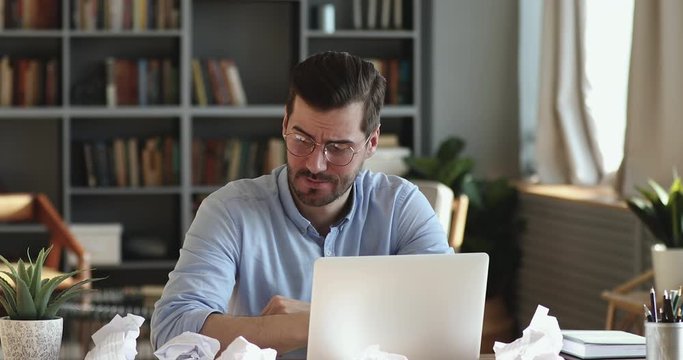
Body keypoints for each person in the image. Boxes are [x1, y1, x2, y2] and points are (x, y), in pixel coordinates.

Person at [150, 51, 452, 356]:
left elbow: (447, 323)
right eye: (302, 139)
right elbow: (172, 331)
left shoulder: (402, 207)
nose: (315, 164)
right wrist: (305, 325)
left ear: (371, 143)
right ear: (284, 124)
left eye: (338, 148)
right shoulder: (229, 210)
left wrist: (321, 317)